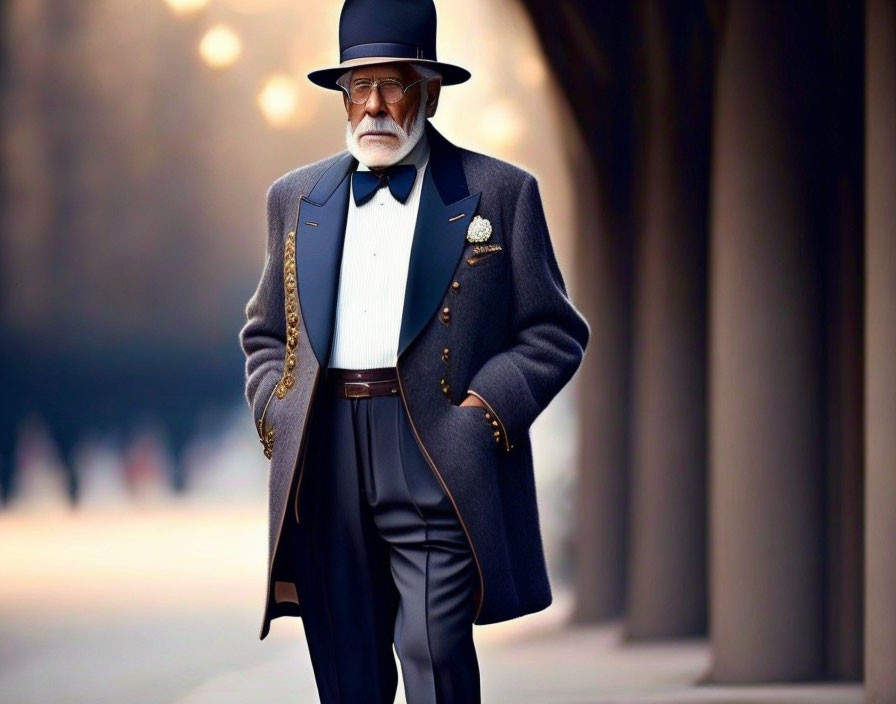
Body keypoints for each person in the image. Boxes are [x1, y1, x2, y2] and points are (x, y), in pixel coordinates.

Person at [238, 0, 590, 701]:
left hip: (434, 448)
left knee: (433, 647)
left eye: (392, 84)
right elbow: (265, 332)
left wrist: (483, 414)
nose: (372, 106)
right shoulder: (294, 196)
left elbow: (554, 330)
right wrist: (279, 414)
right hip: (324, 454)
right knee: (347, 671)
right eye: (356, 87)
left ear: (428, 89)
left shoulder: (501, 192)